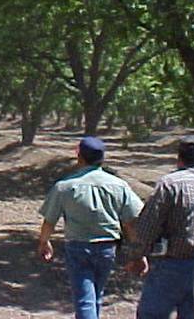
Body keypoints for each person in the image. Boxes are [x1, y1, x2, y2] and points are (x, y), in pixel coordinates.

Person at [37, 136, 143, 319]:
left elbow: (50, 221)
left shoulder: (64, 186)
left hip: (78, 248)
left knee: (85, 299)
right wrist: (138, 252)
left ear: (79, 156)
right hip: (107, 248)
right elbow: (130, 223)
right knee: (96, 295)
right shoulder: (119, 185)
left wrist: (44, 242)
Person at [125, 135, 194, 319]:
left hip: (170, 265)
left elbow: (148, 226)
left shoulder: (169, 184)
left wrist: (136, 256)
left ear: (180, 158)